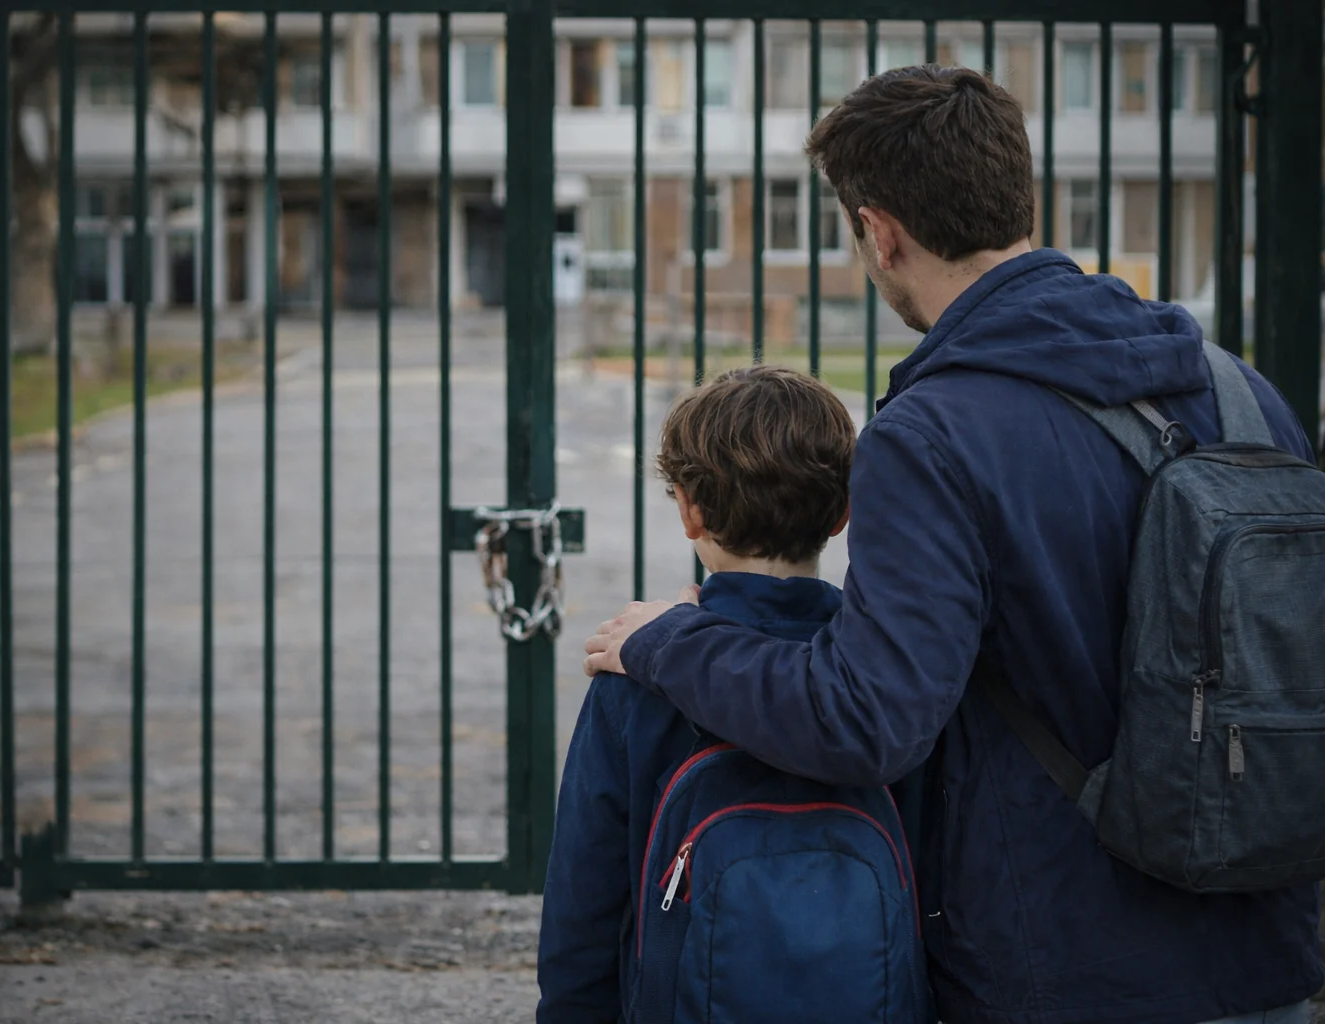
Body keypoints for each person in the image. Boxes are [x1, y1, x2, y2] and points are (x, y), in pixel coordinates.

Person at [580, 65, 1322, 1024]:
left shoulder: (933, 436)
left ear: (881, 231)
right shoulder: (1238, 392)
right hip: (1265, 951)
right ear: (1018, 197)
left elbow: (864, 720)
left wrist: (664, 642)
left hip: (1059, 966)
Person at [539, 365, 905, 1021]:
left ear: (689, 510)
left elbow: (583, 899)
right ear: (845, 511)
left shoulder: (638, 671)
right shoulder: (878, 669)